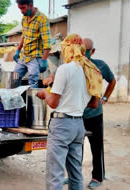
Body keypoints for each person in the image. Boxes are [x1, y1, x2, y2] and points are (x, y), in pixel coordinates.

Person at [36, 34, 102, 190]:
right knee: (75, 173)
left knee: (55, 175)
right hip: (79, 125)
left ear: (69, 49)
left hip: (62, 125)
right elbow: (94, 104)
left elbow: (53, 102)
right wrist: (76, 102)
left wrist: (45, 93)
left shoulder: (65, 69)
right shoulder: (91, 71)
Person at [82, 38, 116, 189]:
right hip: (76, 114)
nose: (82, 54)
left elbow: (112, 80)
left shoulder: (100, 65)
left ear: (92, 51)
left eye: (86, 51)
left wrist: (105, 98)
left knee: (96, 146)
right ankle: (74, 175)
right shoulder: (74, 65)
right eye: (80, 50)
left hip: (94, 114)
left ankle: (97, 177)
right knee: (75, 147)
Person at [13, 0, 51, 87]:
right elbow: (23, 36)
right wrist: (17, 50)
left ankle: (33, 102)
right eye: (19, 8)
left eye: (23, 8)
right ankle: (15, 101)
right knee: (14, 78)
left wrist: (44, 60)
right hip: (23, 56)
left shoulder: (42, 19)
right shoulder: (24, 19)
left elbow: (47, 42)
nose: (21, 11)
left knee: (32, 82)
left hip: (35, 58)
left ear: (30, 5)